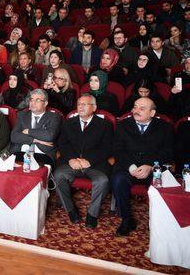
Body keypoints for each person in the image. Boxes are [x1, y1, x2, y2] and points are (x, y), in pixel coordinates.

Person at [111, 97, 174, 236]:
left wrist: (150, 166)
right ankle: (126, 219)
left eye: (142, 108)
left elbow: (169, 152)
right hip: (128, 167)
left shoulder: (165, 127)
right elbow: (117, 150)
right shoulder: (123, 125)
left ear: (152, 113)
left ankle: (156, 222)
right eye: (135, 107)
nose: (136, 111)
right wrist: (131, 166)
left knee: (160, 184)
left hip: (153, 168)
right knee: (118, 180)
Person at [54, 94, 113, 228]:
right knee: (58, 175)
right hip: (72, 163)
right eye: (79, 104)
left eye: (84, 104)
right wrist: (71, 159)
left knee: (102, 181)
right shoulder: (68, 123)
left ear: (94, 107)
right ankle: (70, 210)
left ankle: (92, 214)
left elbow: (108, 148)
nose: (80, 107)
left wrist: (89, 161)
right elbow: (62, 144)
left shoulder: (104, 125)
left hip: (94, 164)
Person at [10, 89, 62, 166]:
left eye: (37, 100)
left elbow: (49, 136)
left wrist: (28, 131)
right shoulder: (22, 115)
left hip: (43, 154)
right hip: (21, 151)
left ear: (45, 103)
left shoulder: (54, 117)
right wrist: (35, 140)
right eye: (31, 100)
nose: (33, 103)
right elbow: (14, 136)